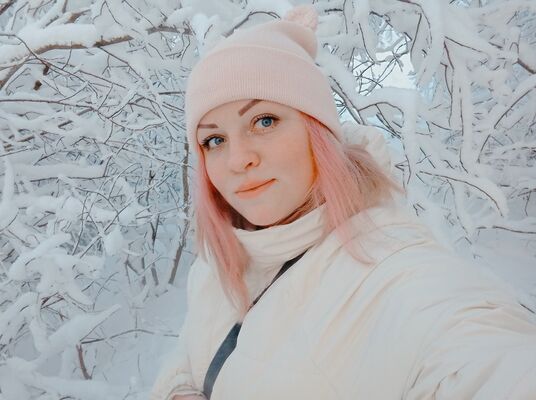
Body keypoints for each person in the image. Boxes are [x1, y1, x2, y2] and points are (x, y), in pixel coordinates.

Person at [151, 5, 536, 400]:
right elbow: (194, 349)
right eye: (214, 140)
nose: (237, 160)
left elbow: (487, 358)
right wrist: (178, 389)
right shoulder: (217, 258)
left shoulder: (391, 268)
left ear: (317, 131)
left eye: (264, 121)